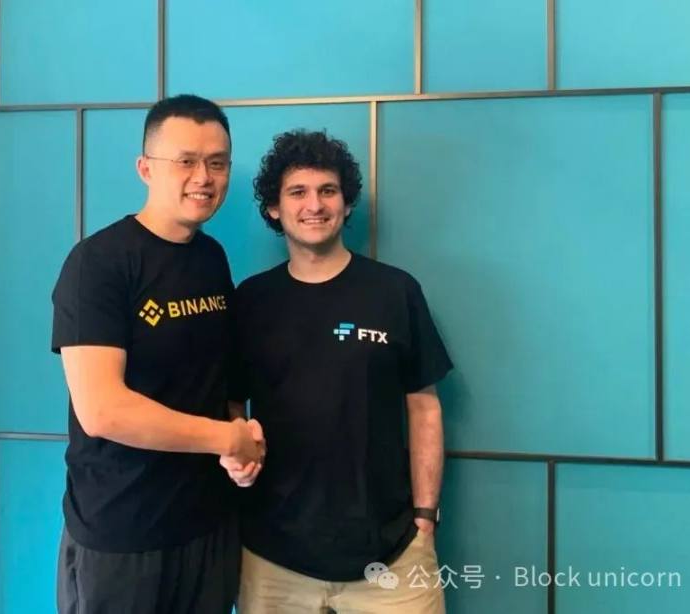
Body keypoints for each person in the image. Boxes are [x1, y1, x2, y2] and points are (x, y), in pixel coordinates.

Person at [50, 94, 264, 614]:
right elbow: (103, 411)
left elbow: (219, 377)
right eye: (186, 161)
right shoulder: (98, 263)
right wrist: (223, 437)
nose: (203, 177)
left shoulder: (211, 258)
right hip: (122, 534)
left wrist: (238, 443)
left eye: (217, 163)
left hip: (207, 526)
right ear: (145, 168)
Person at [224, 129, 452, 613]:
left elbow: (424, 406)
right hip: (272, 557)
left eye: (327, 190)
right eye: (297, 192)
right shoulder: (251, 301)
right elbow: (230, 405)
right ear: (274, 208)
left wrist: (425, 517)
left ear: (347, 204)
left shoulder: (395, 292)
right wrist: (236, 455)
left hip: (391, 552)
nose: (314, 205)